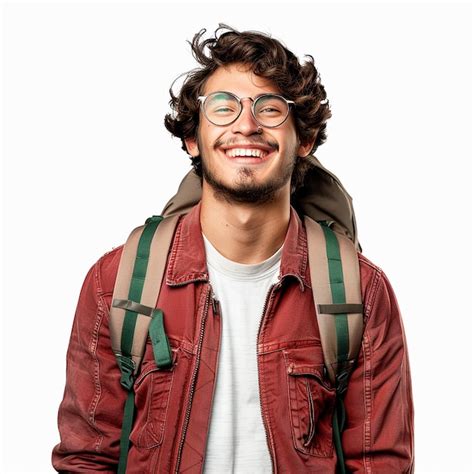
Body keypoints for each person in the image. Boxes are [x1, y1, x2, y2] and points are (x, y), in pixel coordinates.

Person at [52, 24, 414, 473]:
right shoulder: (116, 283)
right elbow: (87, 459)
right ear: (192, 138)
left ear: (304, 141)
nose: (246, 124)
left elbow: (380, 464)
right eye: (222, 108)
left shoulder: (361, 290)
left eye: (271, 109)